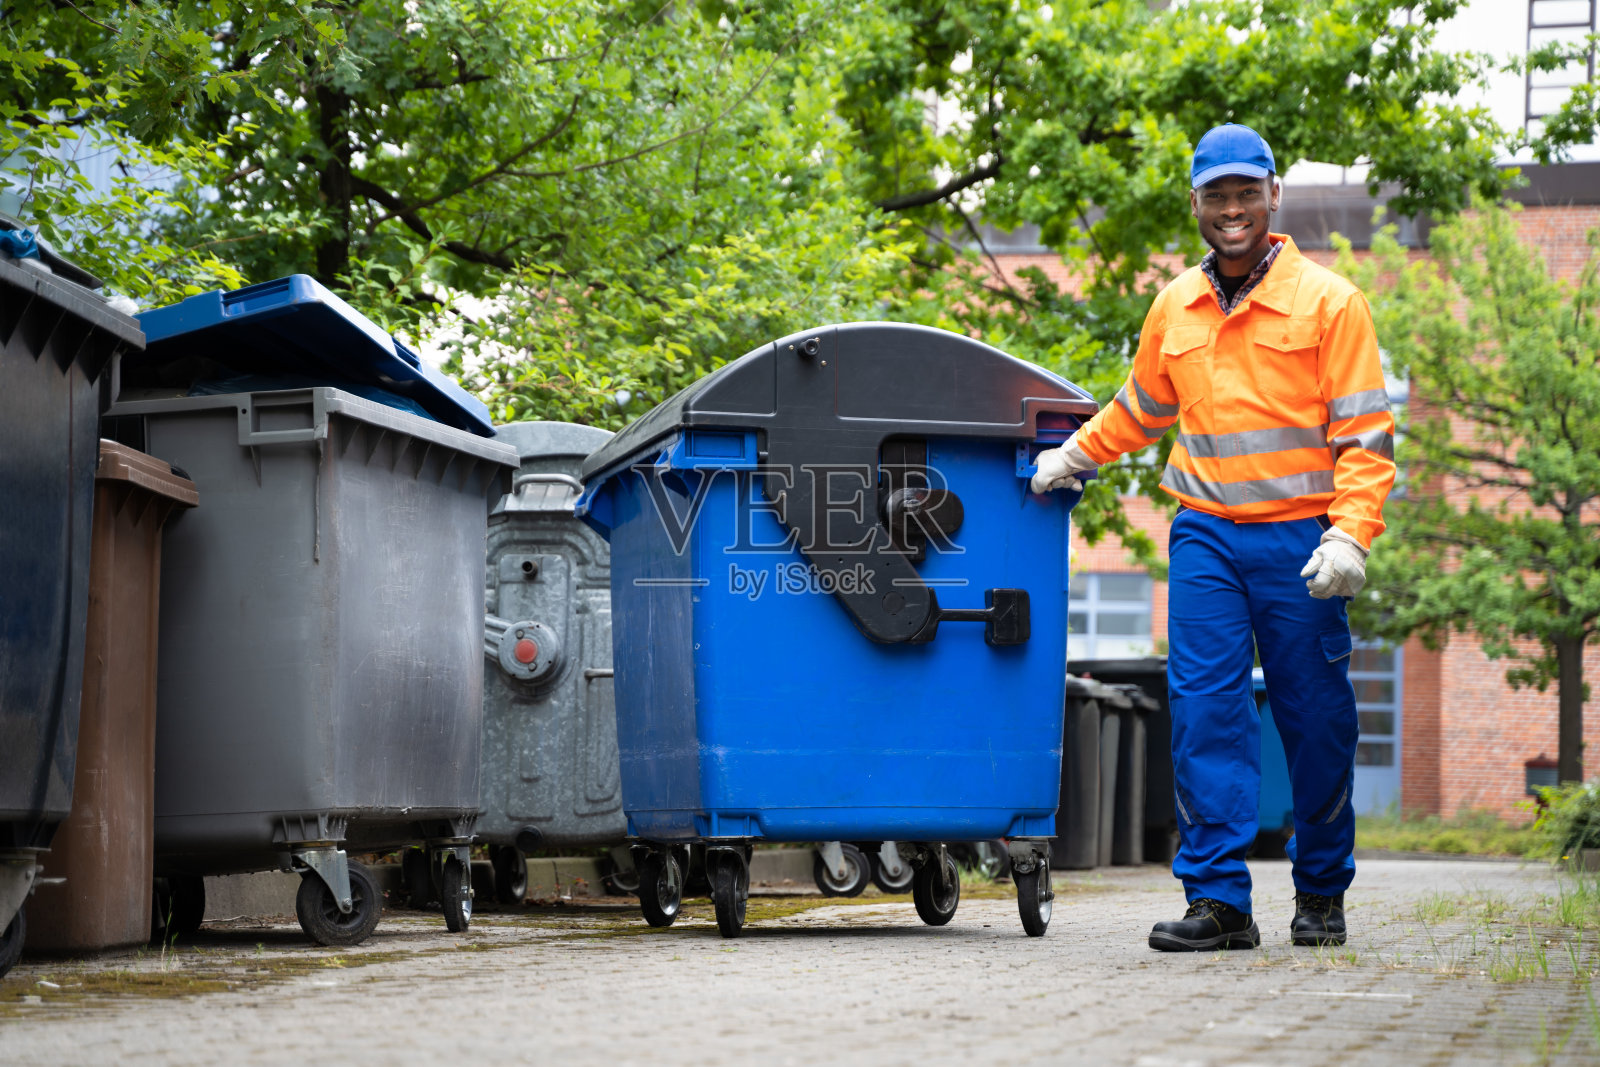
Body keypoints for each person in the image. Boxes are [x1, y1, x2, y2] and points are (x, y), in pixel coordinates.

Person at [1031, 123, 1395, 951]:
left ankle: (1321, 890)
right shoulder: (1176, 306)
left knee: (1315, 716)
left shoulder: (1330, 303)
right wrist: (1073, 454)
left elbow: (1366, 436)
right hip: (1205, 537)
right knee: (1204, 712)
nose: (1232, 209)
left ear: (1274, 195)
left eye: (1246, 192)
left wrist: (1352, 534)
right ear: (1195, 203)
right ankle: (1220, 900)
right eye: (1216, 195)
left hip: (1303, 540)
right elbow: (1143, 408)